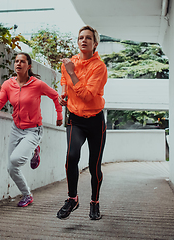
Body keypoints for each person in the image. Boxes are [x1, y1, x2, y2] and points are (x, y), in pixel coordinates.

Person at [0, 52, 63, 207]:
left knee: (15, 159)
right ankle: (27, 195)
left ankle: (33, 150)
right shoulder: (8, 85)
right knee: (11, 168)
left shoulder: (37, 84)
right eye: (16, 61)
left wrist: (59, 115)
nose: (18, 64)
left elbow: (55, 95)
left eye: (22, 61)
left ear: (28, 66)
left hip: (33, 130)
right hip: (16, 128)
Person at [56, 25, 108, 220]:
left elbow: (86, 96)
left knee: (94, 165)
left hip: (95, 121)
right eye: (80, 38)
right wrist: (63, 96)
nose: (83, 40)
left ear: (95, 43)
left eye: (88, 38)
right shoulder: (69, 63)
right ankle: (72, 198)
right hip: (75, 119)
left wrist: (72, 73)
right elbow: (63, 79)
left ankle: (94, 202)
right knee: (71, 156)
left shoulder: (99, 67)